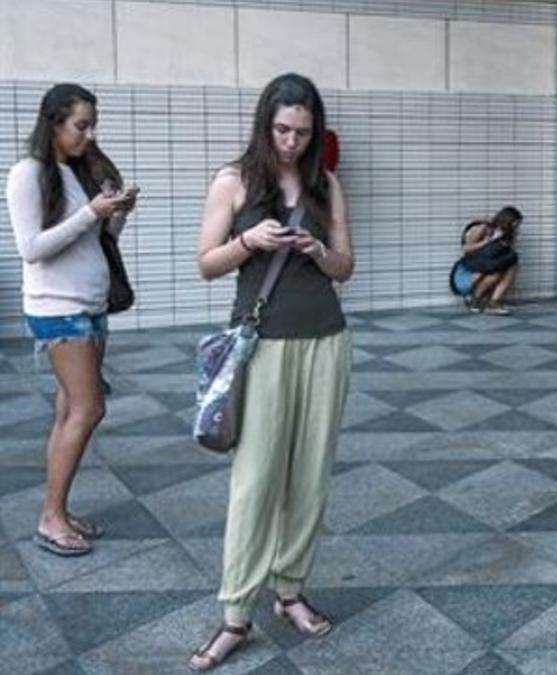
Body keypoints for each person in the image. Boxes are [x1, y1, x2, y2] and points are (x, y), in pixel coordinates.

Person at [189, 73, 354, 671]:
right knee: (255, 480)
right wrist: (248, 240)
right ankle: (235, 614)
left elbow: (346, 267)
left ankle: (290, 592)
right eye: (282, 129)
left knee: (309, 476)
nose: (291, 142)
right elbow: (206, 263)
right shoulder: (234, 180)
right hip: (261, 346)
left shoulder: (325, 183)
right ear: (266, 125)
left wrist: (317, 252)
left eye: (303, 132)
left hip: (325, 342)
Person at [5, 83, 137, 557]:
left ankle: (57, 511)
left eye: (91, 124)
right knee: (89, 408)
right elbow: (32, 249)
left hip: (90, 305)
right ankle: (50, 517)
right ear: (54, 123)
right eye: (81, 125)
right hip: (58, 308)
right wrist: (88, 213)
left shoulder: (75, 171)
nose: (89, 134)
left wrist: (116, 214)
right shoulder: (28, 173)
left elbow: (99, 238)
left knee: (69, 412)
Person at [455, 205, 522, 314]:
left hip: (489, 264)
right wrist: (489, 240)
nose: (516, 227)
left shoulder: (507, 234)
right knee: (495, 272)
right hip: (470, 267)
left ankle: (494, 301)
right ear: (507, 220)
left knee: (512, 263)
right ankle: (475, 299)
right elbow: (466, 249)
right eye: (514, 223)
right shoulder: (484, 228)